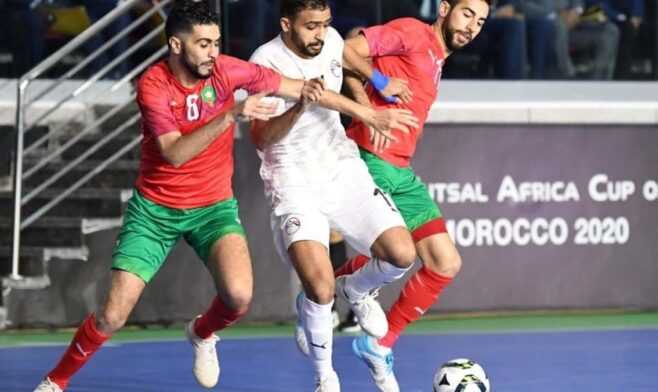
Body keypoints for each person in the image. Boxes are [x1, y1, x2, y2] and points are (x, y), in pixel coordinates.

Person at [30, 1, 394, 391]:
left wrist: (360, 108)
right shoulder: (153, 85)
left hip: (213, 209)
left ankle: (202, 334)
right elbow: (173, 153)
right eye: (202, 44)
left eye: (216, 43)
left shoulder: (228, 69)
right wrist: (231, 114)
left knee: (238, 297)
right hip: (155, 211)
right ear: (175, 45)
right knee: (112, 316)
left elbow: (302, 88)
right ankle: (56, 381)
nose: (212, 53)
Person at [317, 1, 490, 390]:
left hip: (401, 171)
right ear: (444, 7)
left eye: (480, 21)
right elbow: (344, 50)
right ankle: (321, 295)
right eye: (467, 14)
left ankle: (379, 343)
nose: (472, 27)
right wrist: (369, 104)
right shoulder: (413, 32)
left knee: (444, 263)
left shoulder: (437, 58)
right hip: (367, 159)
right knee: (388, 254)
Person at [249, 1, 421, 389]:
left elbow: (342, 51)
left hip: (341, 167)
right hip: (292, 177)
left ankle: (357, 289)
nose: (320, 34)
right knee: (319, 287)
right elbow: (259, 139)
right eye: (311, 26)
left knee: (402, 254)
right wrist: (298, 108)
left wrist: (378, 82)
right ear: (286, 25)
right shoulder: (265, 63)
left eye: (326, 24)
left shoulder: (328, 39)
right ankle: (325, 376)